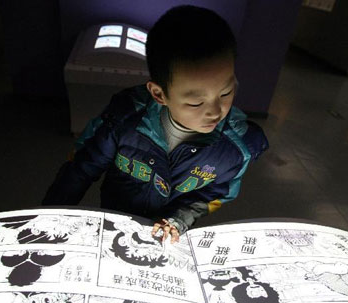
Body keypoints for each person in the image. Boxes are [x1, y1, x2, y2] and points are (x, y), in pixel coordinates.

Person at [42, 5, 269, 243]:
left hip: (167, 236)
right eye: (195, 103)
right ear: (159, 94)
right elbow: (81, 167)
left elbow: (215, 193)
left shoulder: (236, 148)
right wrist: (47, 217)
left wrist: (179, 218)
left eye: (226, 93)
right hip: (116, 216)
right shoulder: (124, 118)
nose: (215, 111)